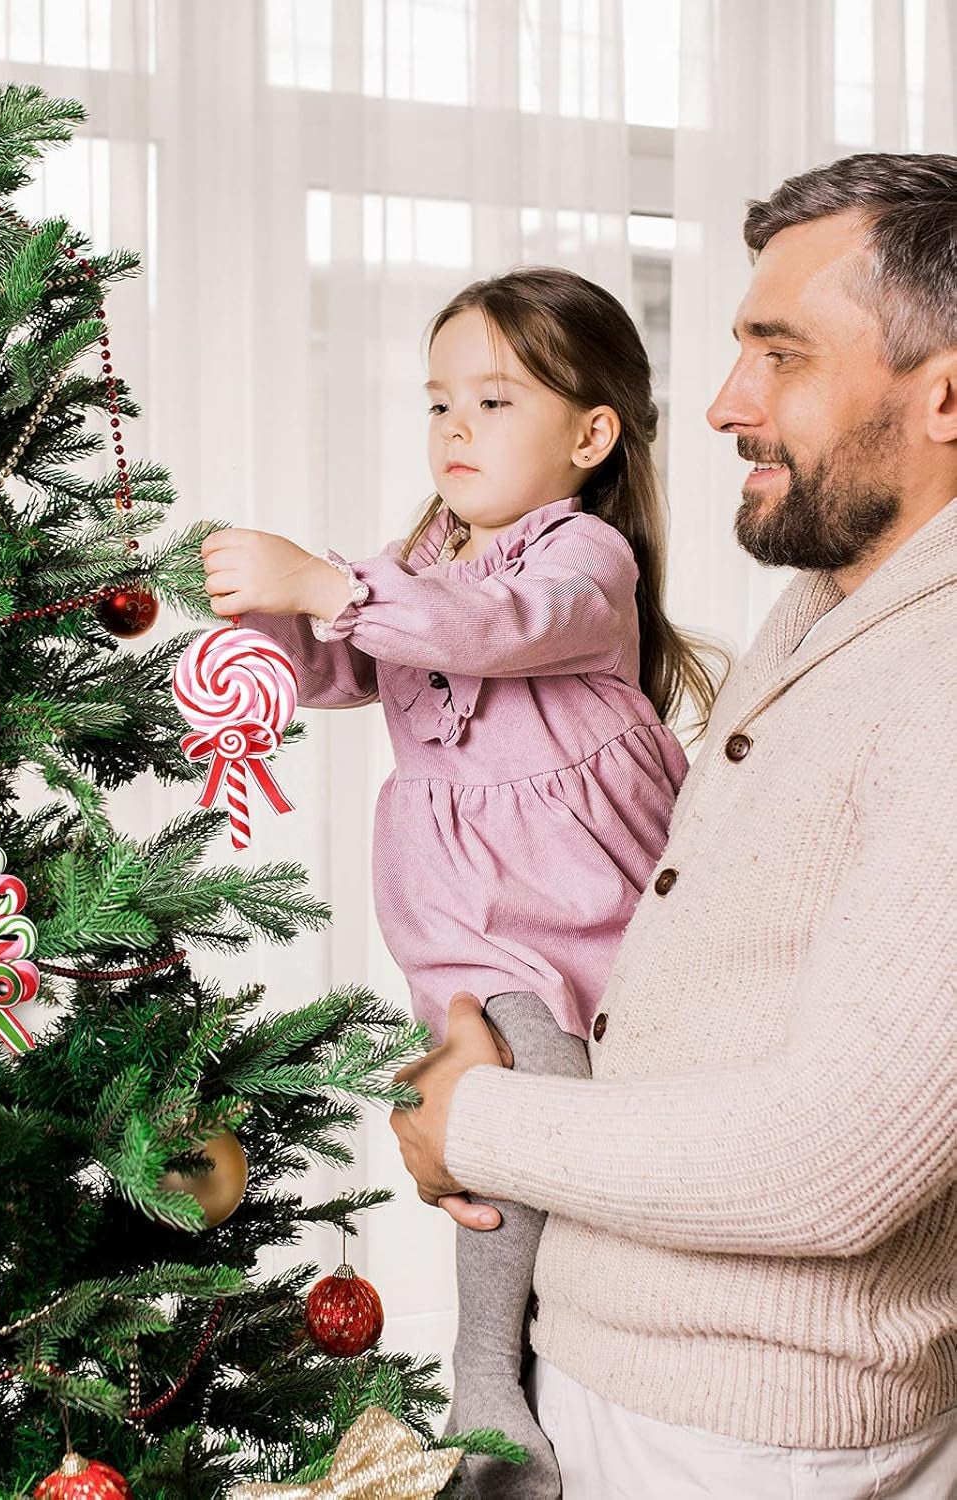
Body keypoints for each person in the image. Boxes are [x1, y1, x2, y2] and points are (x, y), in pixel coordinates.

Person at [390, 152, 957, 1498]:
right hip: (605, 1368)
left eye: (782, 354)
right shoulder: (838, 603)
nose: (720, 404)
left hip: (750, 1442)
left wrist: (476, 1125)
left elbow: (840, 1163)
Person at [202, 266, 724, 1498]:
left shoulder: (584, 559)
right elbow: (348, 671)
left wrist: (331, 585)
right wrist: (265, 620)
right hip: (467, 909)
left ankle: (499, 1368)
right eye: (438, 403)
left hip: (579, 892)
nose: (453, 430)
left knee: (558, 1104)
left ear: (589, 436)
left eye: (493, 402)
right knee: (496, 1095)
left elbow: (490, 628)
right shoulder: (421, 557)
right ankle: (491, 1375)